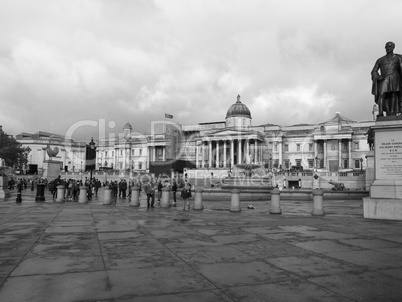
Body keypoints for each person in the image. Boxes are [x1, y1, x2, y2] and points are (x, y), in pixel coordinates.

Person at [371, 41, 402, 117]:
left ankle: (392, 113)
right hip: (384, 78)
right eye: (386, 47)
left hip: (395, 78)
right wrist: (378, 76)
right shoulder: (380, 60)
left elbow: (401, 69)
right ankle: (380, 112)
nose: (388, 48)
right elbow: (374, 71)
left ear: (393, 47)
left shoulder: (398, 58)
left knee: (393, 94)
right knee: (381, 94)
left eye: (389, 46)